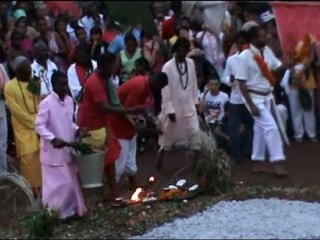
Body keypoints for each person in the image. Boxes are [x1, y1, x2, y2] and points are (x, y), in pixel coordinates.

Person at [76, 53, 146, 205]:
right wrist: (131, 110)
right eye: (113, 64)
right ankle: (97, 195)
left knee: (111, 158)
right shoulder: (95, 82)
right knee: (97, 162)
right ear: (105, 66)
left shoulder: (104, 79)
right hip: (91, 126)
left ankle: (114, 193)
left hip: (101, 125)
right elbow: (106, 108)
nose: (116, 67)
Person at [235, 26, 288, 177]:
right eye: (260, 36)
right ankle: (276, 162)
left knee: (260, 130)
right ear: (252, 39)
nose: (264, 39)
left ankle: (257, 162)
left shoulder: (268, 51)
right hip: (253, 98)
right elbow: (241, 83)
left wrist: (285, 66)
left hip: (267, 95)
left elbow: (276, 71)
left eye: (264, 36)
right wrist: (251, 105)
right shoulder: (244, 56)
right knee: (271, 127)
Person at [35, 71, 87, 220]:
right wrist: (53, 139)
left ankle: (69, 212)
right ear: (53, 84)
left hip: (67, 149)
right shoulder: (46, 103)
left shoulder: (70, 101)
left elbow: (68, 122)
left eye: (66, 84)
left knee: (70, 184)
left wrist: (78, 130)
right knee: (58, 187)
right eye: (61, 84)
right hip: (52, 153)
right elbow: (39, 126)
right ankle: (55, 215)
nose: (65, 87)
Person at [108, 72, 168, 190]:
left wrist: (151, 121)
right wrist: (147, 128)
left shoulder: (144, 84)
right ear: (157, 83)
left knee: (130, 155)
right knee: (121, 157)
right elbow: (128, 111)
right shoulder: (139, 87)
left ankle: (133, 182)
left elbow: (140, 108)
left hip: (127, 125)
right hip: (119, 123)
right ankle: (112, 189)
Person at [157, 37, 200, 169]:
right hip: (173, 106)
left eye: (185, 51)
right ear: (175, 50)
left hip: (189, 106)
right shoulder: (167, 67)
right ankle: (160, 156)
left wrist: (195, 102)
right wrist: (169, 109)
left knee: (195, 133)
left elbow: (193, 83)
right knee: (168, 137)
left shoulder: (191, 63)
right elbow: (165, 89)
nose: (182, 53)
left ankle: (196, 162)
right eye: (180, 51)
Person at [4, 56, 42, 196]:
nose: (29, 70)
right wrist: (35, 123)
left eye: (29, 67)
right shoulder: (9, 87)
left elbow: (37, 103)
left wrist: (40, 123)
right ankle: (31, 192)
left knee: (41, 157)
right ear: (18, 71)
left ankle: (44, 189)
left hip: (38, 126)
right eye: (26, 68)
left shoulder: (33, 83)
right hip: (24, 129)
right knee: (28, 158)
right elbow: (16, 111)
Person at [222, 30, 253, 164]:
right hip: (235, 99)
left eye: (243, 43)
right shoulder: (231, 60)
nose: (241, 45)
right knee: (234, 129)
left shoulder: (253, 58)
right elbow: (223, 77)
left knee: (251, 127)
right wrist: (231, 79)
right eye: (238, 43)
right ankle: (236, 155)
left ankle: (250, 152)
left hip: (250, 98)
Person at [0, 63, 9, 175]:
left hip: (1, 109)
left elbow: (8, 87)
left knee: (2, 144)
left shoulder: (1, 67)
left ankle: (3, 174)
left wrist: (4, 93)